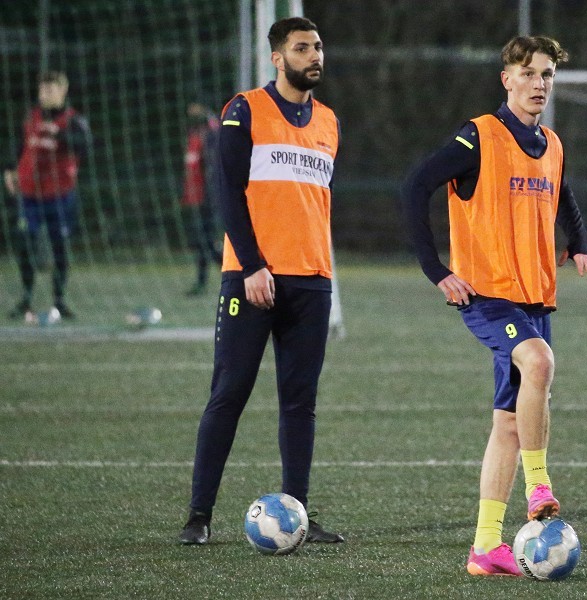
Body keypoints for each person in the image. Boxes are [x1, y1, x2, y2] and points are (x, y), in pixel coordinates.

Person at [402, 35, 587, 577]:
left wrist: (579, 242)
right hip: (487, 293)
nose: (540, 84)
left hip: (534, 296)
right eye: (530, 74)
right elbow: (415, 185)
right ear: (506, 79)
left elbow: (564, 194)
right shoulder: (479, 137)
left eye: (547, 76)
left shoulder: (551, 144)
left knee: (508, 422)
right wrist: (437, 270)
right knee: (538, 362)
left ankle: (486, 546)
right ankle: (540, 487)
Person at [179, 16, 343, 545]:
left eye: (317, 47)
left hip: (312, 281)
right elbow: (228, 193)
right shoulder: (245, 109)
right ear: (278, 57)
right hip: (252, 279)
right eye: (302, 48)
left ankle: (298, 512)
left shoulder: (330, 122)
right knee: (228, 394)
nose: (314, 55)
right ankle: (198, 517)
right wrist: (250, 266)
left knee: (300, 401)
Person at [4, 71, 91, 320]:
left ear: (62, 91)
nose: (45, 94)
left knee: (60, 248)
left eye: (51, 90)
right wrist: (10, 170)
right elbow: (20, 145)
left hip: (59, 196)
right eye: (43, 90)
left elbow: (85, 145)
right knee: (25, 245)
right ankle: (26, 299)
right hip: (29, 195)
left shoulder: (72, 120)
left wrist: (60, 135)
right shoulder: (31, 117)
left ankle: (59, 300)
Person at [180, 102, 223, 296]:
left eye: (194, 107)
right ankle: (202, 282)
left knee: (208, 242)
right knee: (204, 242)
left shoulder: (213, 132)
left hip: (211, 197)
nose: (191, 111)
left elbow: (213, 165)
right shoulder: (196, 131)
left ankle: (241, 276)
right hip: (198, 196)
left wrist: (211, 195)